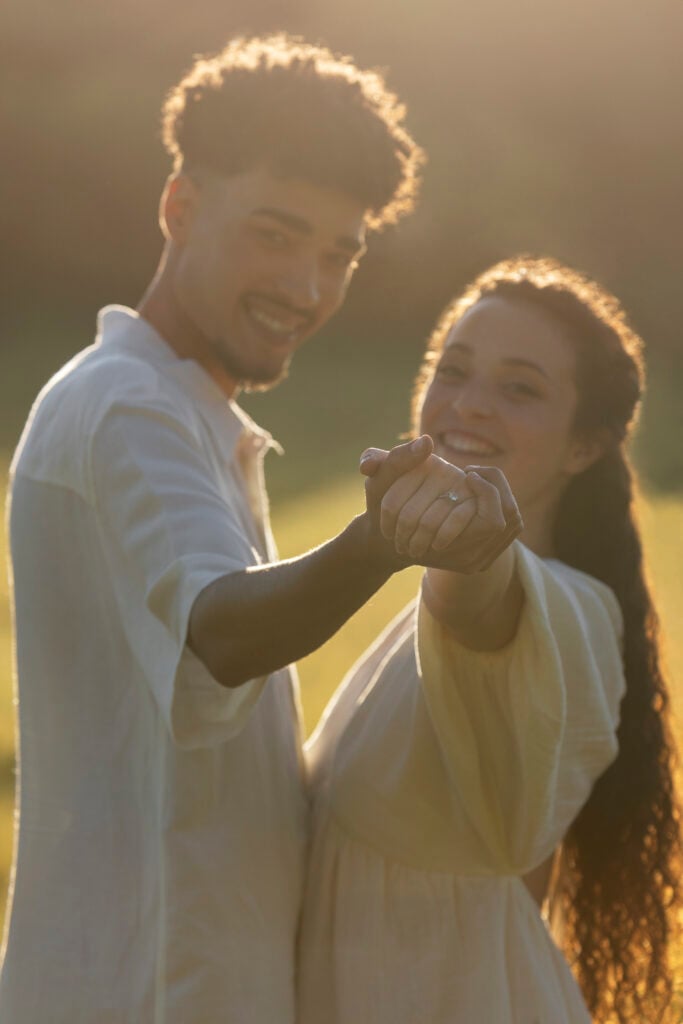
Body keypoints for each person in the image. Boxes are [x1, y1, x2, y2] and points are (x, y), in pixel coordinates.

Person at [0, 33, 449, 1023]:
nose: (307, 287)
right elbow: (222, 626)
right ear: (179, 206)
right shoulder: (131, 405)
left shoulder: (183, 411)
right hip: (144, 987)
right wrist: (381, 539)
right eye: (275, 235)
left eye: (338, 254)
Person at [297, 255, 683, 1024]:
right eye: (453, 370)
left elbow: (484, 604)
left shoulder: (560, 613)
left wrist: (464, 554)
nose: (467, 406)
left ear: (583, 447)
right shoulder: (435, 601)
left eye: (519, 389)